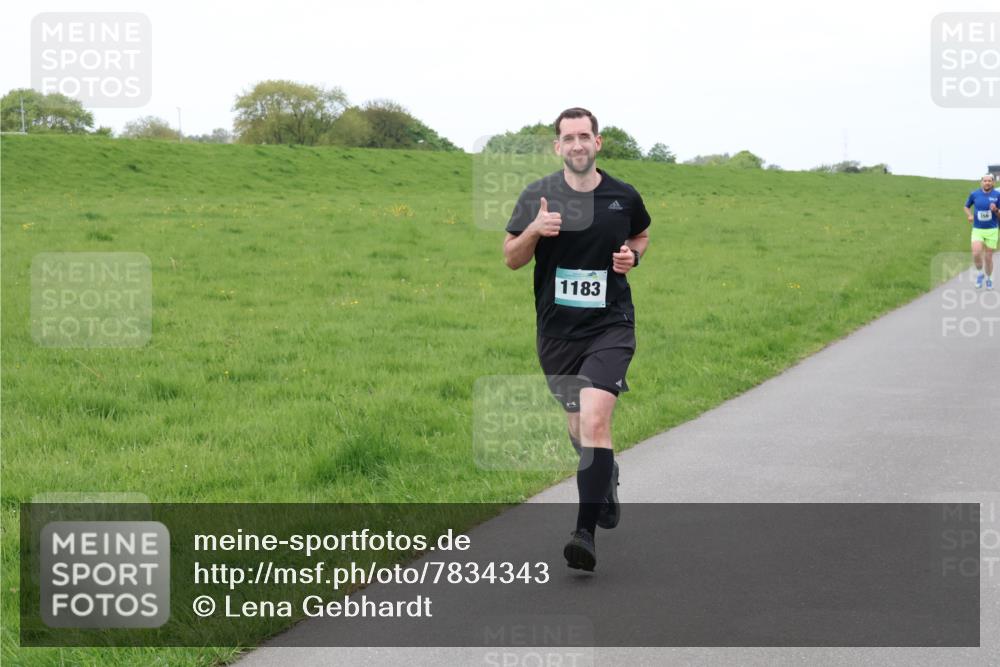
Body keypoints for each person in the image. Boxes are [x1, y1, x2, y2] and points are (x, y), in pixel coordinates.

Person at [502, 107, 651, 571]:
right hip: (557, 332)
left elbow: (641, 235)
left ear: (598, 142)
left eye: (585, 136)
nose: (577, 145)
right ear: (558, 147)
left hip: (610, 326)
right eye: (569, 138)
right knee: (578, 425)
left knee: (594, 415)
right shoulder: (538, 195)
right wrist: (534, 230)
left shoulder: (622, 195)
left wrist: (632, 256)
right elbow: (510, 258)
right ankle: (604, 476)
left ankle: (584, 533)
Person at [964, 174, 1000, 289]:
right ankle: (980, 274)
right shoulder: (974, 194)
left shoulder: (997, 195)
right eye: (985, 181)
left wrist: (996, 210)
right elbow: (966, 206)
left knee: (988, 258)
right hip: (978, 229)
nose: (987, 183)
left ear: (993, 183)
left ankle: (989, 279)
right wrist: (969, 215)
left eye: (989, 181)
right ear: (981, 182)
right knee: (976, 253)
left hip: (992, 230)